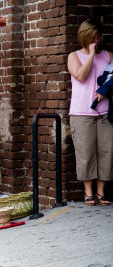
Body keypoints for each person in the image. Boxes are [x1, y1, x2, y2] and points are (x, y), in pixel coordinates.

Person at [67, 19, 113, 206]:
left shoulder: (109, 56)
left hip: (105, 113)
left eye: (98, 36)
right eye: (93, 37)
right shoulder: (74, 56)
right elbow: (81, 75)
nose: (96, 40)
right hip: (81, 112)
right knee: (86, 152)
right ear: (84, 37)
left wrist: (105, 91)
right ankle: (88, 191)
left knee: (106, 151)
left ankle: (101, 192)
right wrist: (92, 54)